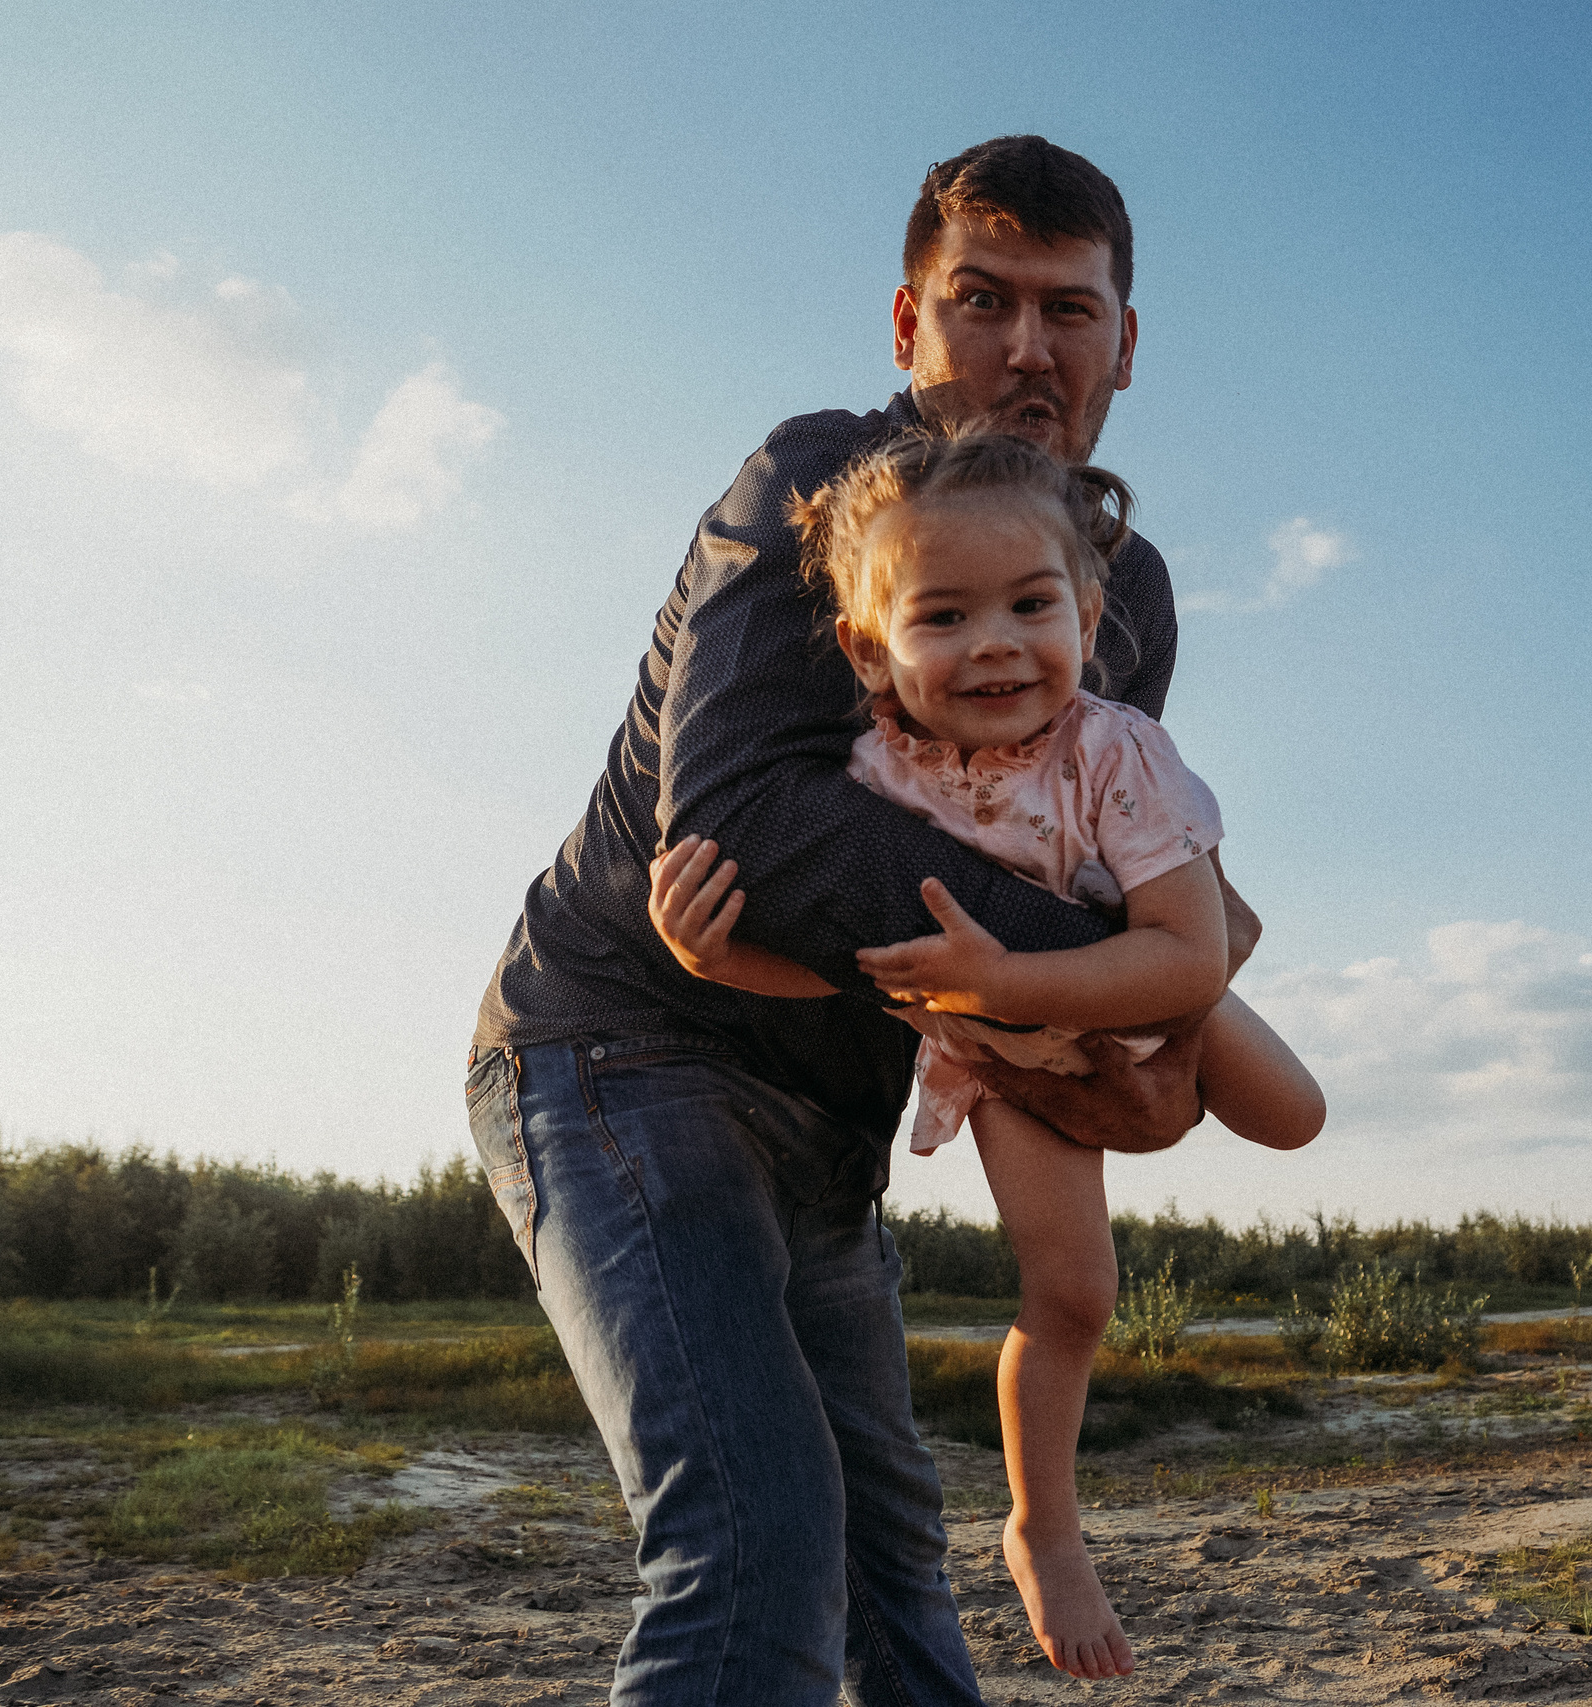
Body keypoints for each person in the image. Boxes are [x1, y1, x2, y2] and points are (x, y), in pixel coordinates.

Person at [465, 135, 1246, 1704]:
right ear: (908, 326)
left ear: (1127, 345)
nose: (1028, 347)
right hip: (624, 1047)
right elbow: (745, 826)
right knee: (758, 1539)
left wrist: (1137, 1022)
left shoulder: (1126, 592)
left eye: (1070, 311)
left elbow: (1089, 876)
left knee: (894, 1567)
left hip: (838, 1115)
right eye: (983, 302)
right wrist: (1131, 971)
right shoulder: (807, 482)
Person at [646, 425, 1323, 1678]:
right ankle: (1044, 1527)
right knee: (1072, 1294)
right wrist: (718, 962)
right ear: (869, 647)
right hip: (1003, 1060)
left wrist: (1024, 975)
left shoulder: (1118, 750)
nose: (997, 643)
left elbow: (1188, 953)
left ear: (1089, 607)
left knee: (1295, 1118)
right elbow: (859, 979)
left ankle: (1040, 1519)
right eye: (944, 617)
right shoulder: (868, 779)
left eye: (1031, 603)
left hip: (1123, 978)